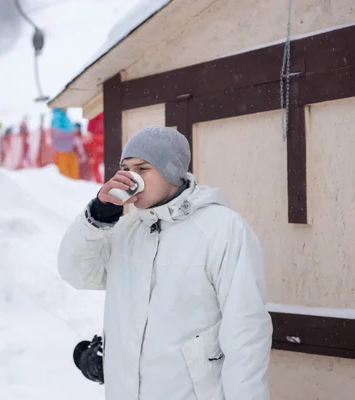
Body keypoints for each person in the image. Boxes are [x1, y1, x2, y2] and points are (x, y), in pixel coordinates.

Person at [58, 126, 272, 400]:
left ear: (171, 172)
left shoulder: (222, 229)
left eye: (142, 168)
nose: (131, 178)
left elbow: (246, 334)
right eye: (125, 168)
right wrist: (98, 216)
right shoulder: (126, 230)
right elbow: (75, 272)